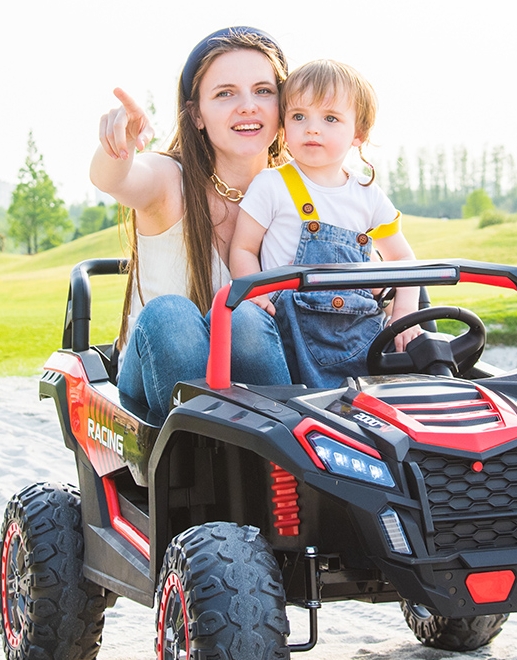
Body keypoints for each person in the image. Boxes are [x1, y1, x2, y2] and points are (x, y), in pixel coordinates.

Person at [90, 26, 293, 421]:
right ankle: (202, 472)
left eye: (263, 91)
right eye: (225, 93)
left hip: (263, 399)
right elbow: (113, 179)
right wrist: (117, 147)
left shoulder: (301, 194)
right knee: (172, 317)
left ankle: (284, 469)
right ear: (197, 115)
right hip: (153, 390)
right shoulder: (169, 181)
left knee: (248, 318)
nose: (248, 105)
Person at [229, 59, 420, 389]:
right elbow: (243, 248)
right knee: (245, 322)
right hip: (286, 333)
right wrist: (253, 292)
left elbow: (402, 260)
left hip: (358, 337)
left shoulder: (368, 194)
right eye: (299, 116)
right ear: (284, 125)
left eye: (330, 118)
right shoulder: (272, 184)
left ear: (358, 134)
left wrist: (403, 312)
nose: (312, 128)